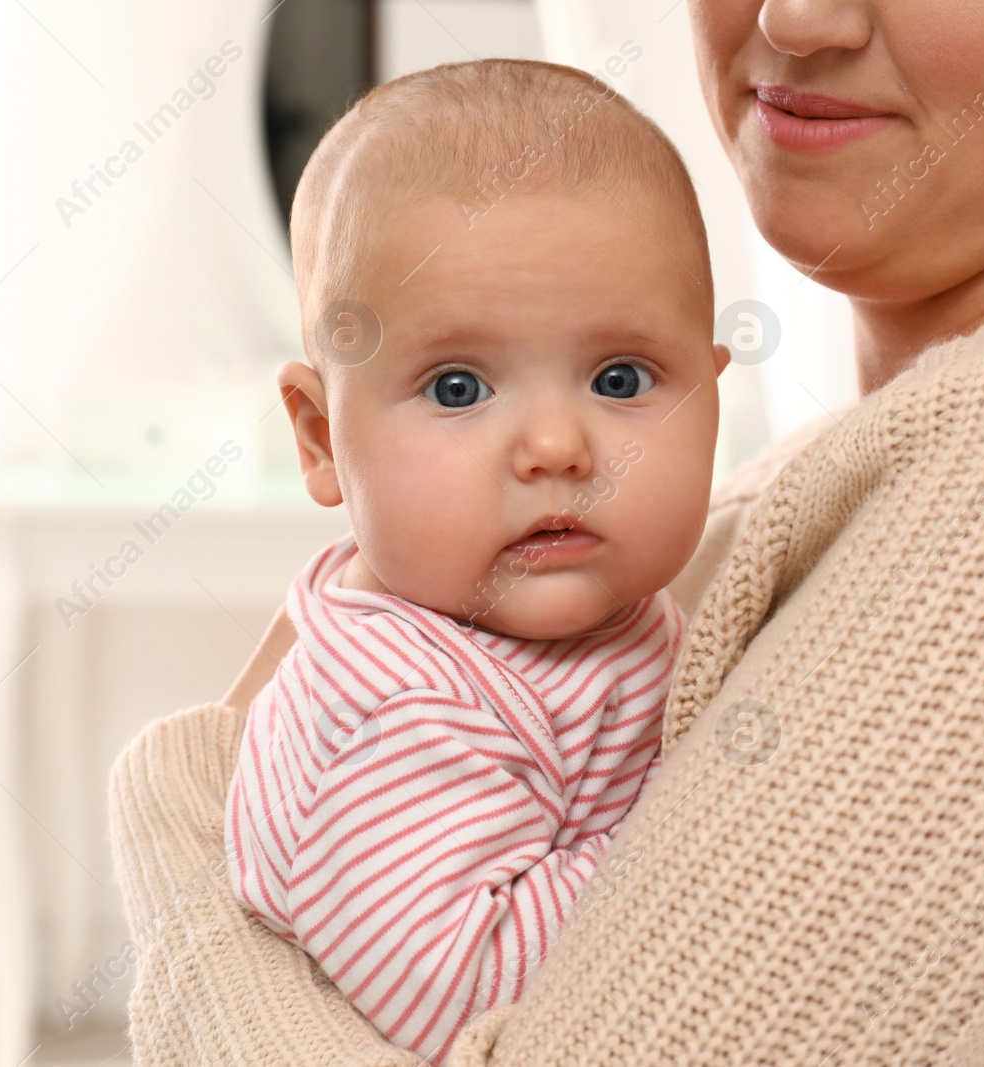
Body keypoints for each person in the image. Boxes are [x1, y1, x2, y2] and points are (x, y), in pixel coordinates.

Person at [108, 0, 984, 1062]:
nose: (796, 18)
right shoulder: (753, 508)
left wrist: (180, 822)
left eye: (620, 377)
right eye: (457, 387)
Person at [223, 59, 728, 1065]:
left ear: (712, 393)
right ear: (322, 439)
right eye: (457, 388)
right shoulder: (389, 704)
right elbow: (454, 993)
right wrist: (719, 822)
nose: (554, 446)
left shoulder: (617, 602)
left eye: (619, 377)